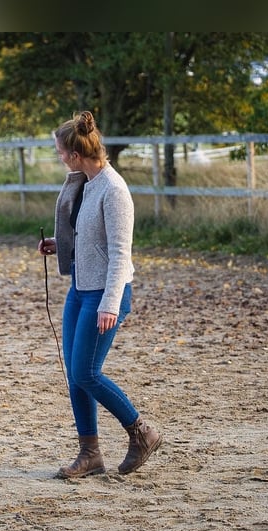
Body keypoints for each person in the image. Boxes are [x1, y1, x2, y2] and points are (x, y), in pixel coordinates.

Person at [37, 110, 162, 478]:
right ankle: (90, 454)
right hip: (80, 288)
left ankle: (142, 432)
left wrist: (109, 303)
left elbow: (121, 253)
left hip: (106, 294)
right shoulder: (86, 184)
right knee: (75, 375)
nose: (59, 157)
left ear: (76, 155)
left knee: (87, 372)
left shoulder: (114, 189)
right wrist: (59, 244)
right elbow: (89, 237)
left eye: (61, 152)